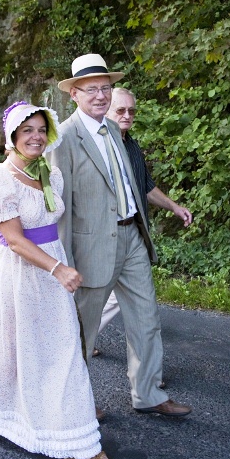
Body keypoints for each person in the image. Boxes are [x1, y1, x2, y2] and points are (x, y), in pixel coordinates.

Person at [0, 101, 109, 459]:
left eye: (42, 130)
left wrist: (63, 262)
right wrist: (58, 269)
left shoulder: (51, 175)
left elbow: (53, 226)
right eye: (28, 130)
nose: (36, 137)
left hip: (52, 265)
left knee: (61, 347)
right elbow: (14, 240)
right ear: (12, 136)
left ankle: (74, 434)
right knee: (7, 343)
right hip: (21, 271)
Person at [47, 53, 192, 417]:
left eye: (105, 88)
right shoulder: (63, 139)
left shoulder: (113, 130)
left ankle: (149, 394)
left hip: (132, 238)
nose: (101, 95)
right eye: (91, 89)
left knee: (147, 319)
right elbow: (61, 207)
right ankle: (75, 403)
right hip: (91, 247)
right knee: (83, 329)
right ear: (74, 94)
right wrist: (64, 261)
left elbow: (130, 185)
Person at [93, 88, 193, 360]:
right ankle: (74, 345)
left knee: (137, 305)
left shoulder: (132, 145)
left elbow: (145, 186)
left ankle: (148, 377)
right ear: (106, 110)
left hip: (134, 233)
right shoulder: (98, 146)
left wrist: (174, 207)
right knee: (97, 298)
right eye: (120, 110)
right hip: (104, 239)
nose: (127, 115)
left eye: (131, 111)